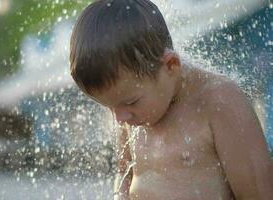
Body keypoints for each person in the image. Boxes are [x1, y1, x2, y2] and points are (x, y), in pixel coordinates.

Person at [69, 0, 273, 199]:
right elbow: (124, 174)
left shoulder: (219, 103)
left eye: (130, 102)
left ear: (171, 65)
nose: (119, 118)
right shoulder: (133, 110)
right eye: (109, 107)